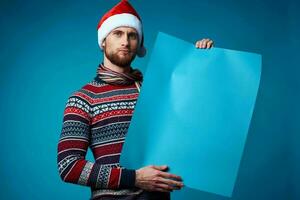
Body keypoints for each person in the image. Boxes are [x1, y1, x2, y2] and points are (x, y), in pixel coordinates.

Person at [57, 1, 213, 199]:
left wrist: (203, 61)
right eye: (118, 33)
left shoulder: (155, 93)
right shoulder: (82, 99)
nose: (125, 41)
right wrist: (135, 178)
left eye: (132, 35)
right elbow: (68, 166)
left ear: (138, 44)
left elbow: (195, 119)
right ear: (104, 40)